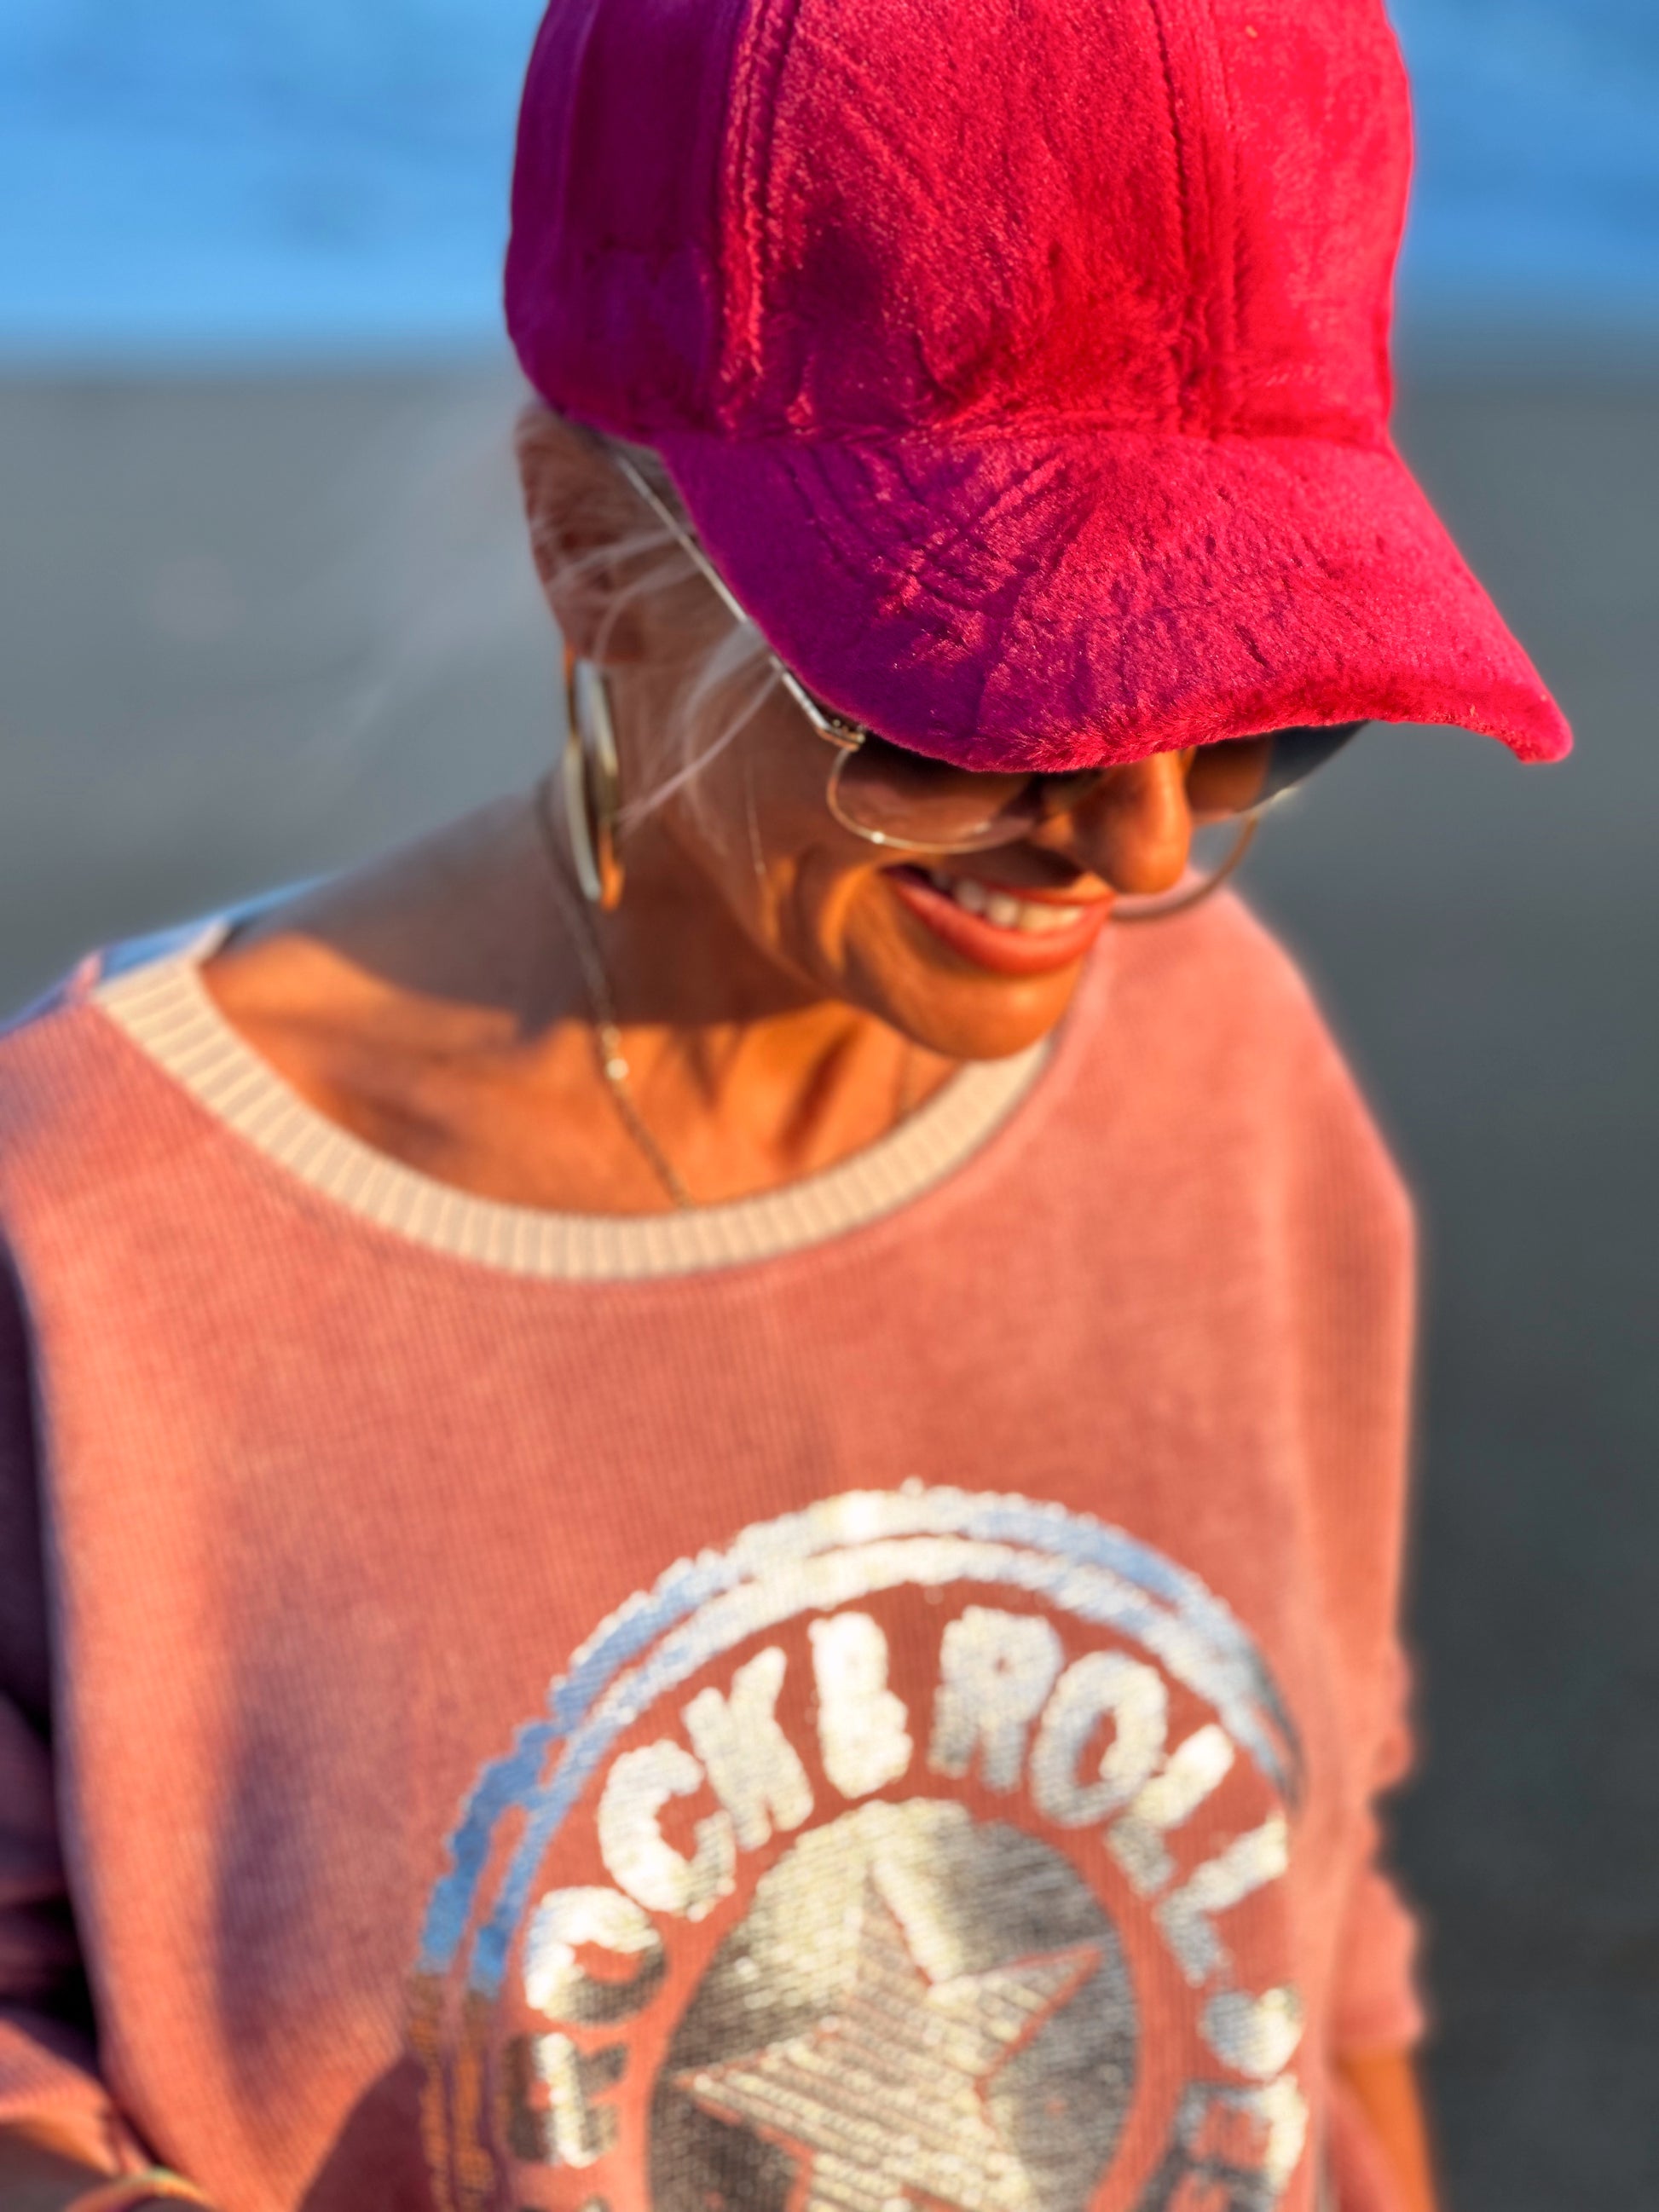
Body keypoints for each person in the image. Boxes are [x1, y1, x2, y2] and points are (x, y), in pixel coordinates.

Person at [0, 0, 1570, 2207]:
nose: (1139, 852)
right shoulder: (96, 1233)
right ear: (585, 550)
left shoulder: (1224, 1058)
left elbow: (1317, 1919)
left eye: (1255, 709)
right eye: (972, 713)